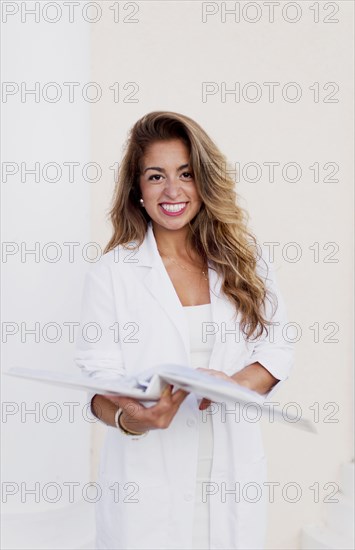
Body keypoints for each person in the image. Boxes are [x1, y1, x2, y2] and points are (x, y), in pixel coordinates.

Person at [74, 111, 294, 550]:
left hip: (229, 477)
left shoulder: (244, 259)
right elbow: (97, 388)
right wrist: (133, 420)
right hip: (147, 489)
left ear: (204, 182)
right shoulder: (113, 272)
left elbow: (278, 349)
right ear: (137, 189)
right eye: (156, 176)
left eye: (186, 174)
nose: (172, 191)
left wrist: (229, 385)